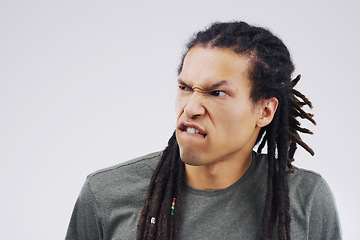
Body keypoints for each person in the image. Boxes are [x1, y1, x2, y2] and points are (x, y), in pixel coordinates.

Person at [66, 21, 341, 240]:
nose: (191, 108)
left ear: (265, 111)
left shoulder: (306, 199)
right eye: (185, 88)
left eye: (217, 92)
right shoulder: (105, 194)